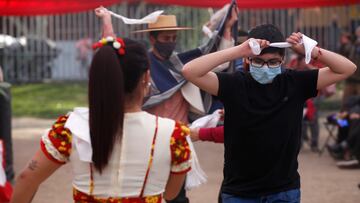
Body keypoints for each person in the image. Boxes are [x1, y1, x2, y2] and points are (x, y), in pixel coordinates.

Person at [182, 24, 357, 202]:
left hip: (283, 190)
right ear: (248, 60)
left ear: (283, 60)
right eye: (259, 61)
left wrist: (311, 51)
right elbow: (189, 71)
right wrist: (238, 51)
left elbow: (348, 68)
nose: (265, 67)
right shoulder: (234, 84)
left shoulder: (295, 83)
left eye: (273, 62)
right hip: (239, 191)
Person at [10, 37, 191, 203]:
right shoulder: (174, 135)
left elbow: (28, 178)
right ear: (146, 77)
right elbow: (170, 193)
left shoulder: (71, 128)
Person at [96, 5, 238, 203]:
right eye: (165, 38)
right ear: (152, 39)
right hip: (145, 141)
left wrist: (228, 27)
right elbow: (113, 57)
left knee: (177, 198)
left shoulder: (182, 65)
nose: (170, 42)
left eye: (173, 38)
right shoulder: (141, 65)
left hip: (176, 140)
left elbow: (217, 60)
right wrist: (107, 23)